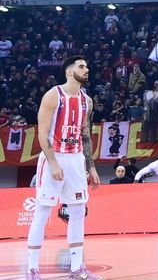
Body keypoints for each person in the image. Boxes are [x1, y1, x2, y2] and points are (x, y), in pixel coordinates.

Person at [27, 56, 101, 280]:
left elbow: (85, 135)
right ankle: (32, 269)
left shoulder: (87, 100)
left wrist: (91, 167)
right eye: (81, 66)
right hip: (54, 157)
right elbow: (42, 133)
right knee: (42, 211)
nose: (86, 69)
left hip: (76, 159)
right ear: (69, 72)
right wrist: (52, 162)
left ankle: (77, 268)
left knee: (78, 211)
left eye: (86, 66)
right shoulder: (53, 95)